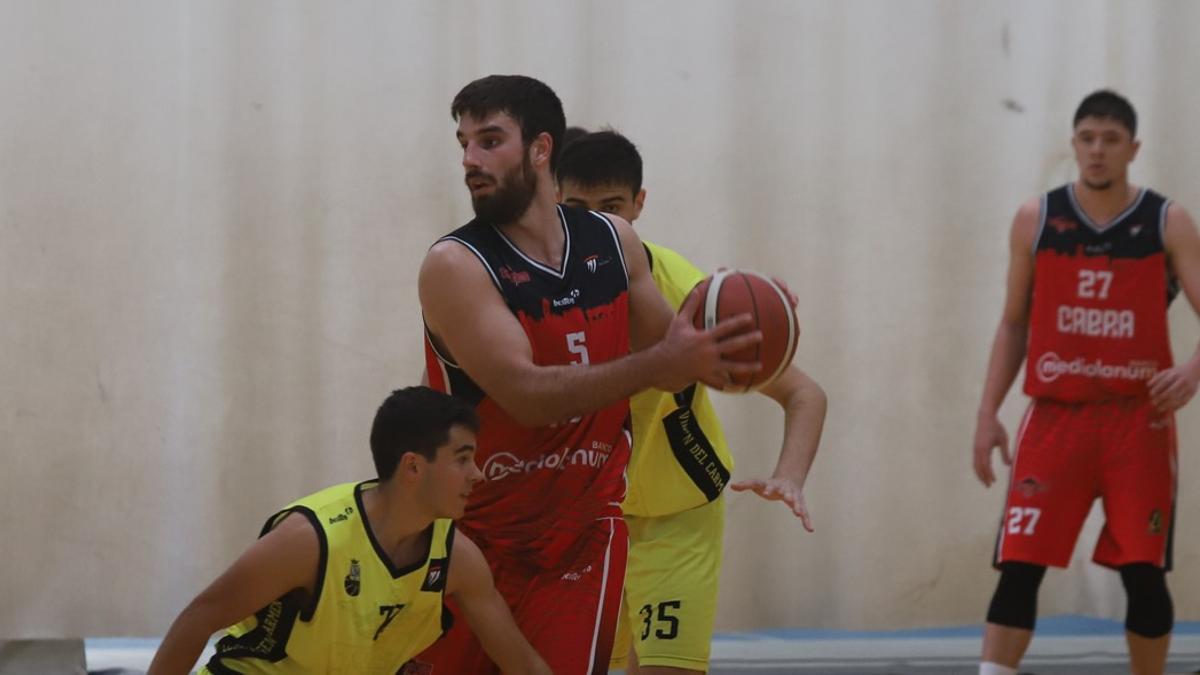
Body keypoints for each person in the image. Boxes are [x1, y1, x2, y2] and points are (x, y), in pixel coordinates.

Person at [414, 75, 761, 675]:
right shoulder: (456, 265)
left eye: (490, 140)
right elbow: (525, 397)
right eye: (463, 142)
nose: (470, 159)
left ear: (541, 149)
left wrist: (727, 326)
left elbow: (675, 355)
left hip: (582, 536)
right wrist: (668, 359)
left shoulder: (614, 242)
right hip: (472, 534)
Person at [556, 129, 827, 675]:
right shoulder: (528, 290)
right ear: (550, 202)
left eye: (611, 208)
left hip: (676, 513)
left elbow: (804, 392)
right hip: (582, 520)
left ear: (639, 204)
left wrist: (790, 476)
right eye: (575, 208)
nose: (595, 225)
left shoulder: (686, 292)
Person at [972, 89, 1200, 675]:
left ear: (1133, 148)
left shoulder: (1165, 220)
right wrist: (987, 412)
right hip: (1055, 421)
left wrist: (1193, 370)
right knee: (1019, 567)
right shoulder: (1038, 218)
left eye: (1111, 139)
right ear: (1074, 144)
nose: (1097, 150)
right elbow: (1014, 321)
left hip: (1137, 425)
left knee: (1143, 575)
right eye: (1087, 138)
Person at [148, 387, 551, 675]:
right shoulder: (310, 539)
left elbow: (523, 664)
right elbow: (198, 619)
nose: (478, 474)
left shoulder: (457, 559)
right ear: (413, 467)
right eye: (462, 460)